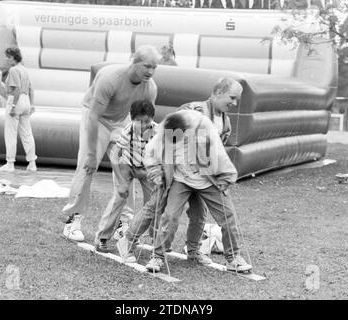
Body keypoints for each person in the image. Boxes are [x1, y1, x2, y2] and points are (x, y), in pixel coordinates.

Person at [117, 77, 242, 263]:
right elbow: (167, 137)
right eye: (232, 97)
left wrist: (218, 174)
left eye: (237, 99)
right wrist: (159, 169)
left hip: (202, 178)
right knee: (156, 207)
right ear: (218, 92)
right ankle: (128, 241)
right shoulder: (190, 110)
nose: (234, 102)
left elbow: (215, 153)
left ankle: (193, 250)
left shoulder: (225, 122)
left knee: (199, 214)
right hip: (175, 174)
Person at [61, 45, 160, 242]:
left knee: (128, 167)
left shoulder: (150, 88)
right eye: (146, 66)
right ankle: (73, 219)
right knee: (87, 167)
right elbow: (93, 116)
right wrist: (90, 154)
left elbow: (143, 123)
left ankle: (124, 222)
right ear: (134, 61)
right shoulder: (110, 79)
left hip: (122, 122)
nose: (150, 71)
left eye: (154, 67)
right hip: (97, 119)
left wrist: (144, 153)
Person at [143, 110, 253, 273]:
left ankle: (232, 258)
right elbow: (150, 154)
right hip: (181, 178)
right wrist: (156, 173)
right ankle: (158, 256)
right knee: (170, 215)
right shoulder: (165, 130)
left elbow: (220, 155)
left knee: (223, 215)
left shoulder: (205, 129)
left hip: (207, 178)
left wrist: (226, 177)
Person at [94, 100, 157, 252]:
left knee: (154, 201)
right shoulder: (128, 131)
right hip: (126, 165)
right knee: (120, 198)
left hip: (145, 167)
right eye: (139, 122)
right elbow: (115, 154)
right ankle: (102, 237)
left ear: (152, 119)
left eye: (146, 121)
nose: (143, 125)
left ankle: (152, 237)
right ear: (131, 118)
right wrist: (122, 182)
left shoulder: (157, 132)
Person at [0, 47, 37, 172]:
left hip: (16, 100)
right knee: (27, 133)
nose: (7, 59)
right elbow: (31, 88)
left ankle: (10, 164)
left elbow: (17, 89)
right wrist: (31, 104)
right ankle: (32, 163)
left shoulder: (13, 70)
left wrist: (13, 106)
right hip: (26, 101)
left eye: (8, 57)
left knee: (10, 133)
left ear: (14, 57)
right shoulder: (24, 69)